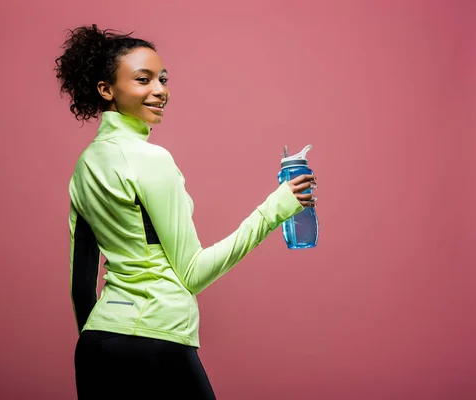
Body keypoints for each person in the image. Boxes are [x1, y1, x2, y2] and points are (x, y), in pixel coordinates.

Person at [54, 24, 317, 400]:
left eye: (162, 79)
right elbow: (192, 273)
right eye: (143, 80)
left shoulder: (85, 165)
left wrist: (106, 346)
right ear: (106, 89)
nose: (160, 90)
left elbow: (81, 286)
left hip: (96, 349)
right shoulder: (151, 159)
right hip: (157, 344)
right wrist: (275, 207)